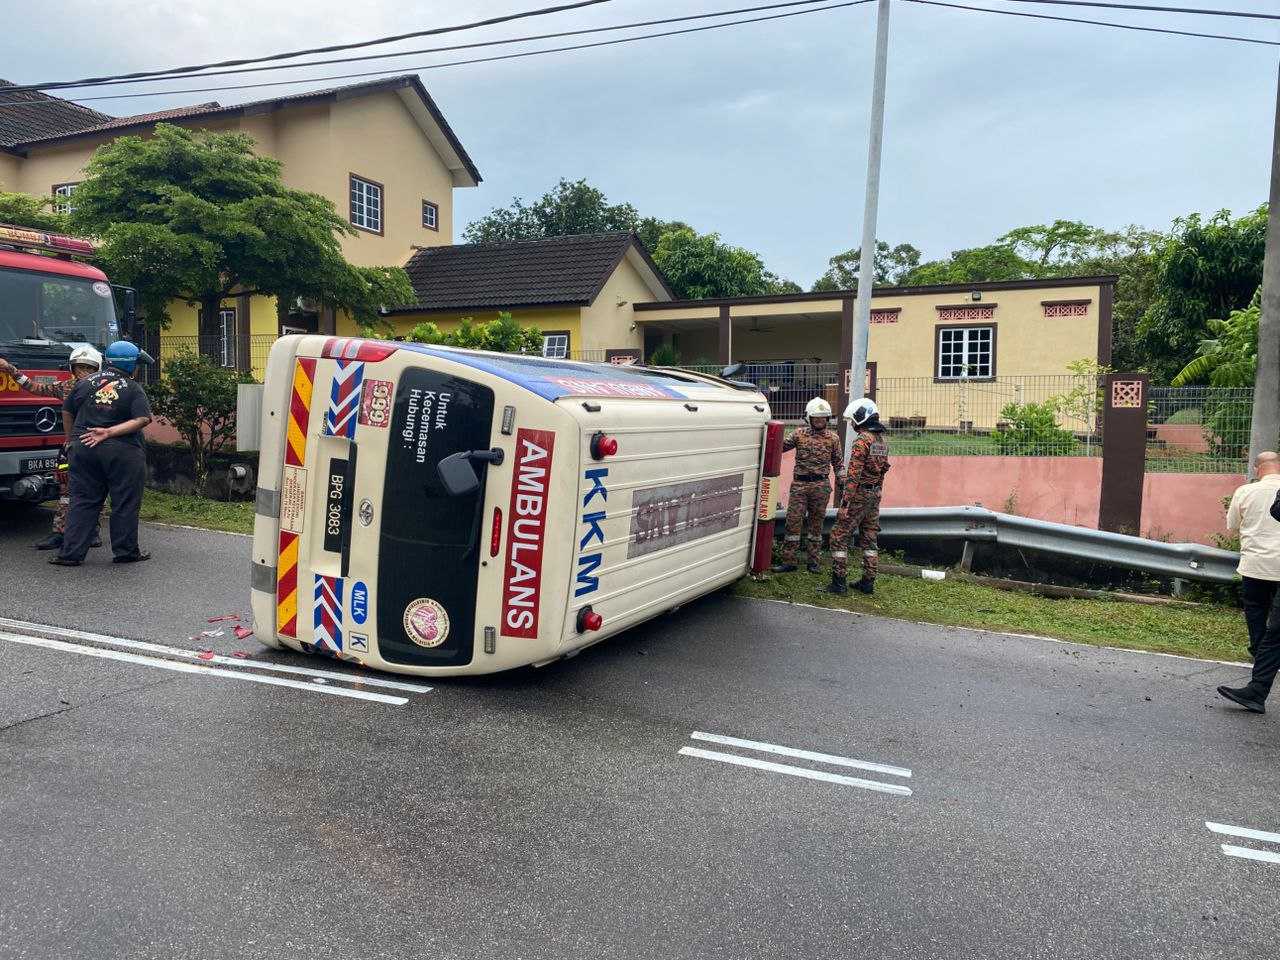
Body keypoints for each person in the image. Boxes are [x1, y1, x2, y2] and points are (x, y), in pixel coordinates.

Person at [51, 341, 154, 567]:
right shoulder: (132, 387)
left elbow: (67, 411)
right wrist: (109, 432)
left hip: (83, 449)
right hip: (123, 453)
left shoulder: (85, 383)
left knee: (83, 501)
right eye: (136, 364)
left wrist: (71, 440)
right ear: (130, 365)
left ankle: (70, 555)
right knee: (124, 502)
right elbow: (142, 419)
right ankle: (125, 552)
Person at [0, 346, 104, 550]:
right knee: (65, 490)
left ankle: (92, 532)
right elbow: (34, 387)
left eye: (88, 368)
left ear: (97, 369)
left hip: (93, 447)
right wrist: (11, 370)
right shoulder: (66, 387)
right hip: (69, 450)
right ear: (72, 369)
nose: (82, 372)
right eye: (78, 367)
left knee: (94, 490)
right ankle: (60, 532)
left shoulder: (106, 390)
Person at [1218, 451, 1280, 713]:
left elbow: (1232, 525)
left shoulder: (1245, 491)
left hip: (1256, 565)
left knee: (1263, 624)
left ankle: (1260, 663)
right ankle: (1258, 684)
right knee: (1275, 633)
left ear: (1257, 469)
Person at [772, 398, 844, 574]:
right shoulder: (798, 434)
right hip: (800, 485)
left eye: (823, 418)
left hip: (821, 485)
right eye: (816, 418)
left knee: (816, 526)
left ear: (827, 419)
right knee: (793, 523)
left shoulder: (833, 439)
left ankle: (814, 562)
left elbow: (838, 464)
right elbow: (777, 447)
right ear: (809, 418)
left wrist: (844, 482)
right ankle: (789, 561)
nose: (820, 421)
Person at [827, 397, 890, 596]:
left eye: (853, 420)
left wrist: (845, 503)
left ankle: (838, 584)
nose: (852, 424)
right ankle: (867, 582)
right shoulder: (881, 440)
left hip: (859, 494)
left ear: (861, 418)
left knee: (838, 536)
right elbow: (883, 470)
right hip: (874, 496)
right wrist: (877, 491)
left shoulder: (862, 440)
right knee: (870, 539)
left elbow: (853, 475)